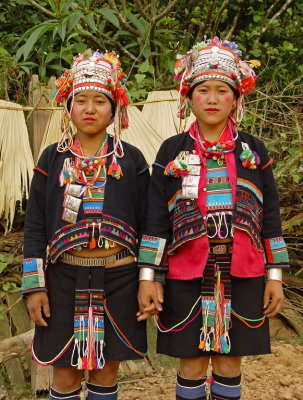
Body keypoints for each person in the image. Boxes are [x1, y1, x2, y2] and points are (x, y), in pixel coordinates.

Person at [137, 37, 289, 400]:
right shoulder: (172, 151)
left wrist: (275, 276)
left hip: (243, 269)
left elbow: (270, 216)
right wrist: (148, 277)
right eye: (203, 89)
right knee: (190, 363)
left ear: (236, 98)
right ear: (188, 97)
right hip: (186, 271)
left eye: (222, 90)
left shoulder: (253, 150)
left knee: (229, 362)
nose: (212, 98)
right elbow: (156, 217)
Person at [21, 50, 149, 400]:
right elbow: (34, 227)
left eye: (99, 101)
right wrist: (34, 286)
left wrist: (150, 279)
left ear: (115, 109)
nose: (90, 109)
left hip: (120, 279)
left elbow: (151, 223)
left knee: (106, 373)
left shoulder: (132, 159)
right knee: (63, 375)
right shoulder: (51, 157)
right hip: (63, 278)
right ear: (69, 107)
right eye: (81, 100)